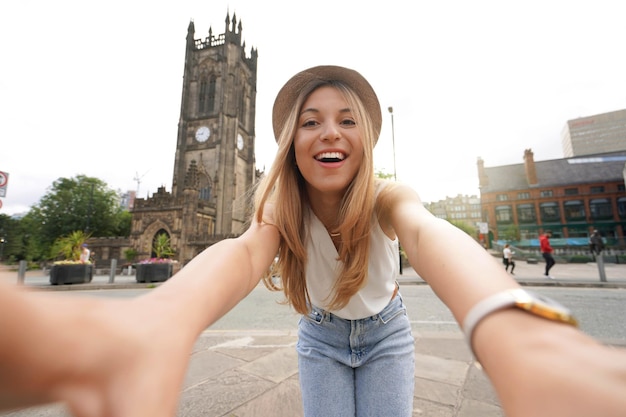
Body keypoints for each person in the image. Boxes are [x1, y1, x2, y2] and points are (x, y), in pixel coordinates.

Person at [2, 65, 626, 417]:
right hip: (321, 336)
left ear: (366, 140)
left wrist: (516, 326)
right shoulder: (279, 203)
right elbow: (246, 252)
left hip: (387, 334)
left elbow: (432, 237)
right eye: (311, 120)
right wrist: (159, 321)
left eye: (347, 119)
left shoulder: (387, 195)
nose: (330, 132)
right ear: (291, 144)